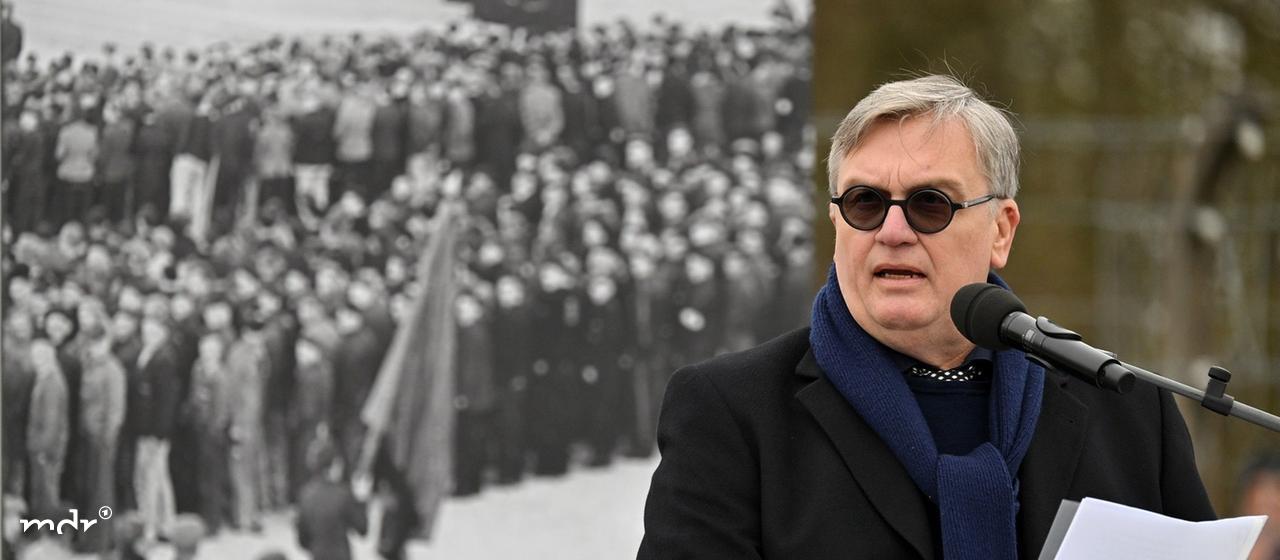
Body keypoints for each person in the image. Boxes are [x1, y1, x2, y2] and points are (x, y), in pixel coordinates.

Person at [637, 75, 1215, 559]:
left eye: (929, 204)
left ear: (1001, 229)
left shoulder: (1128, 409)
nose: (892, 232)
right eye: (865, 202)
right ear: (837, 223)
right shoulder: (732, 414)